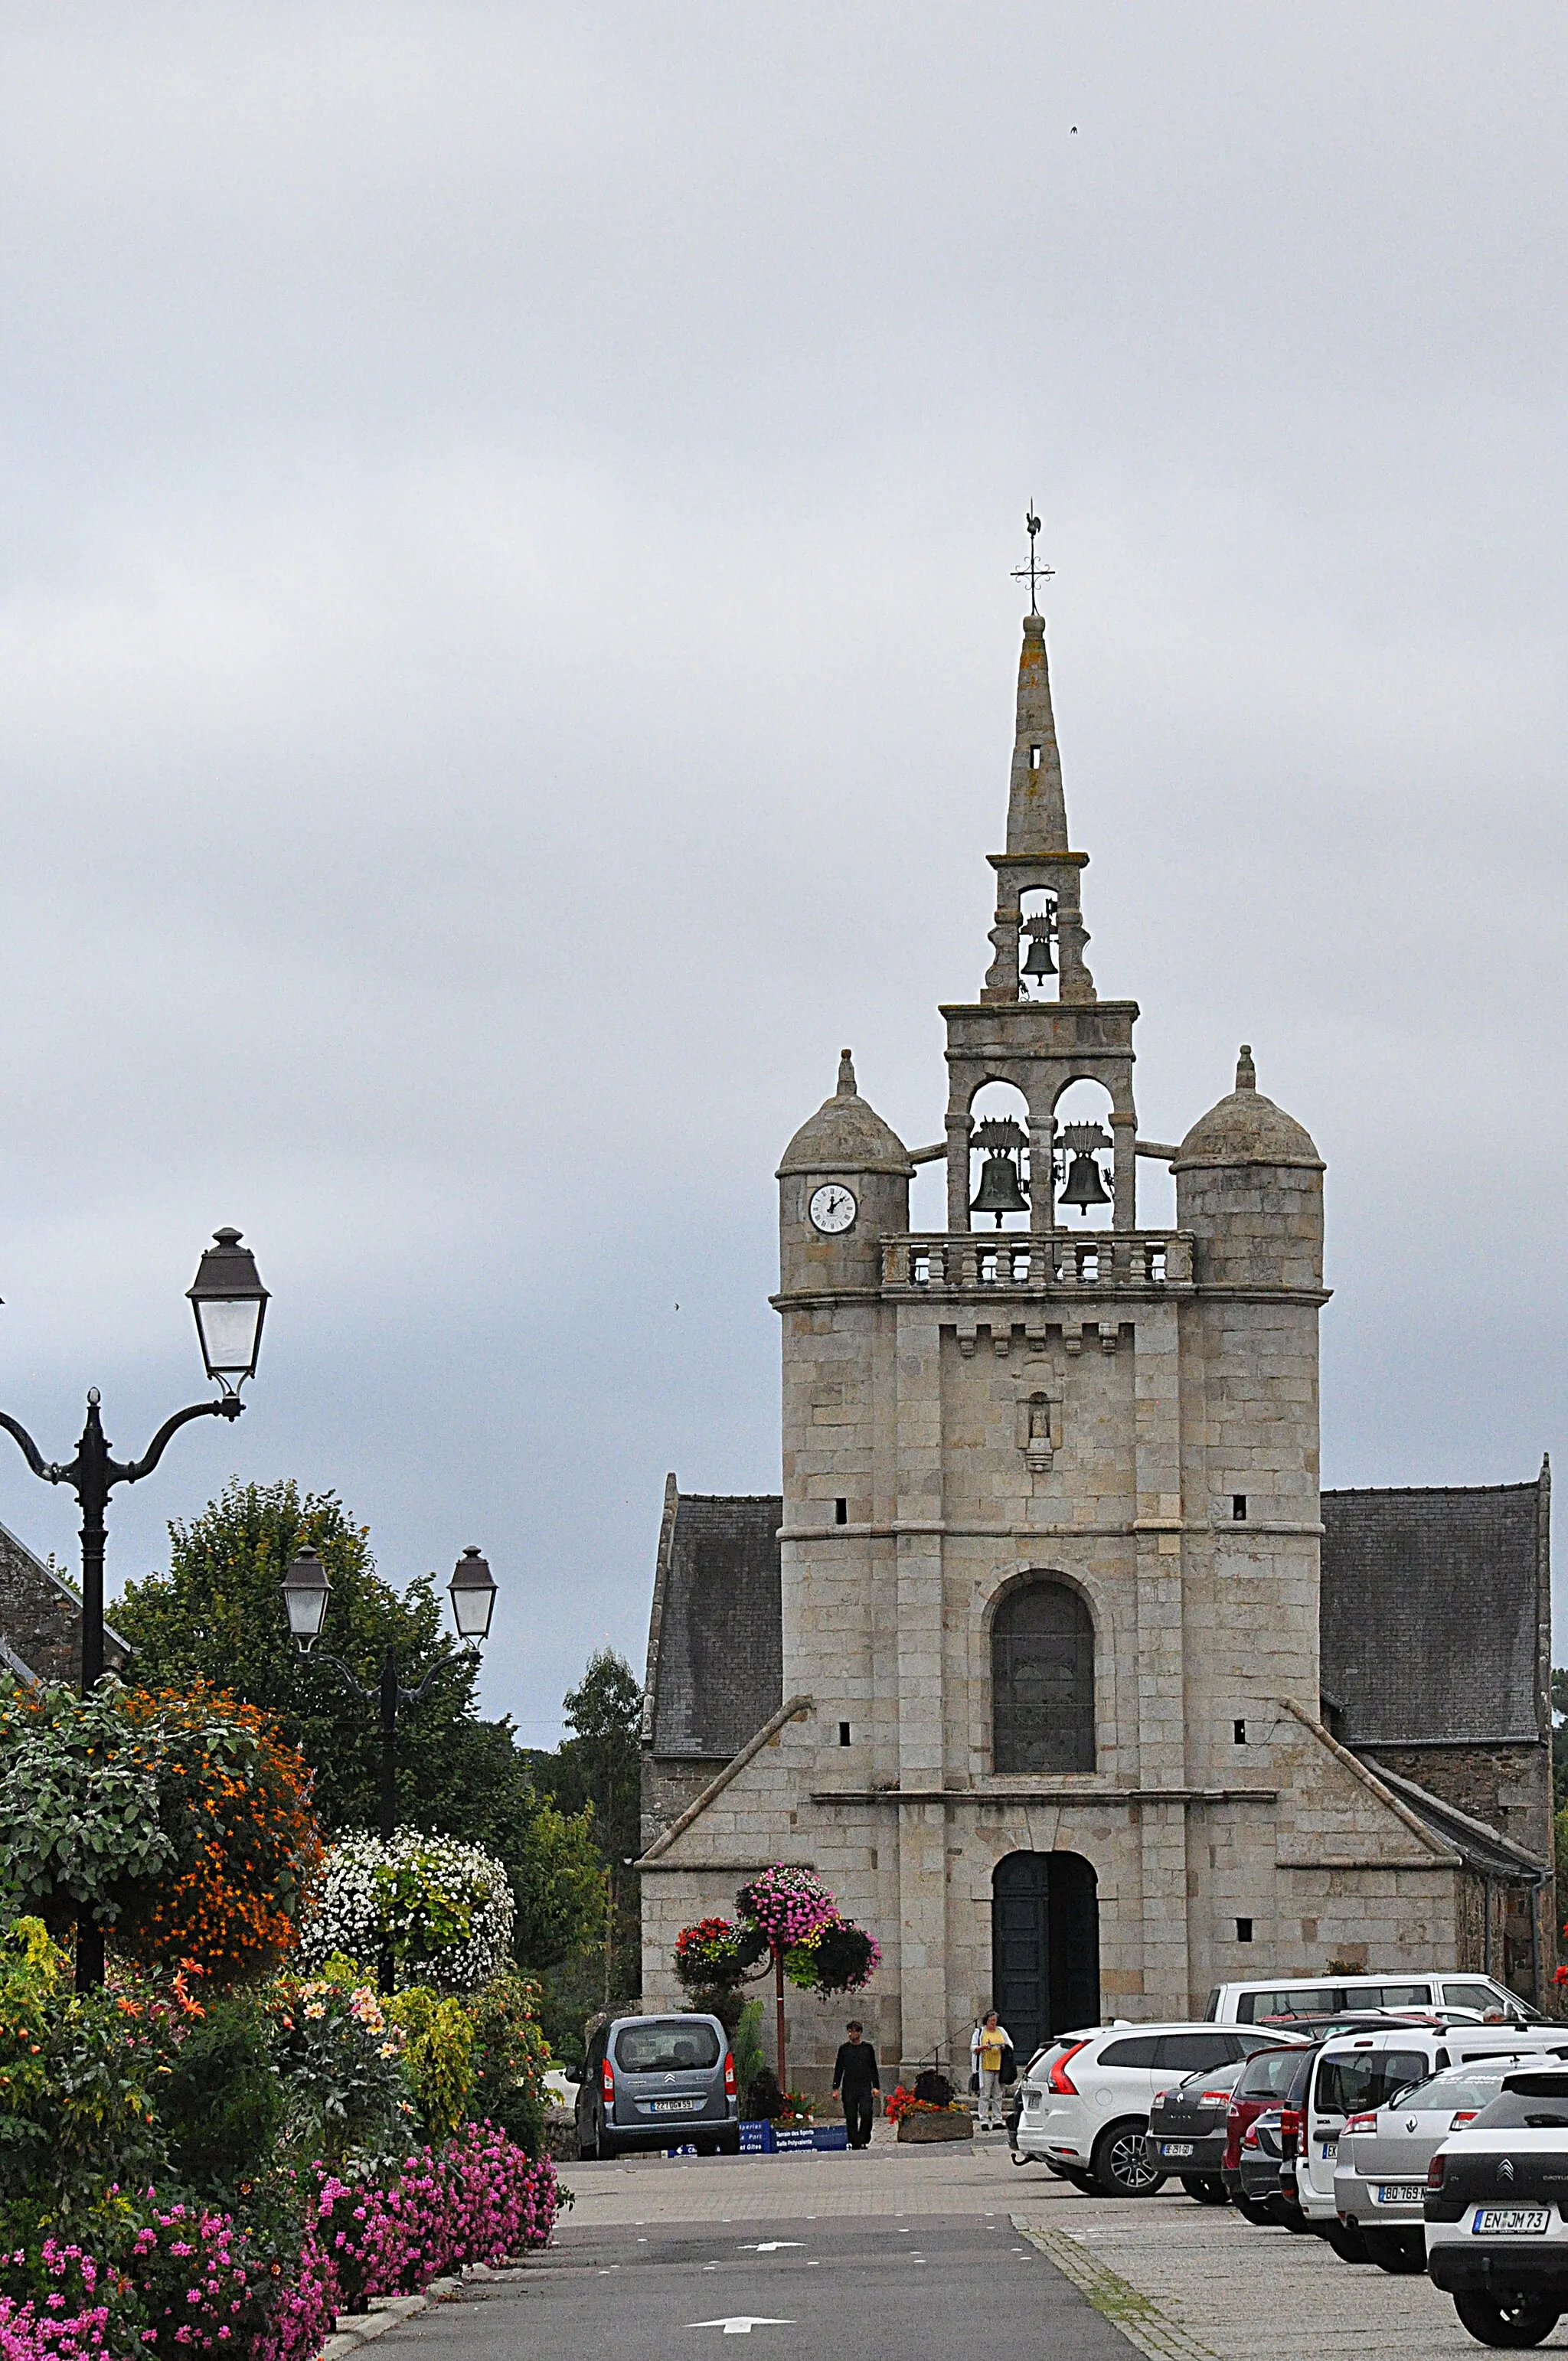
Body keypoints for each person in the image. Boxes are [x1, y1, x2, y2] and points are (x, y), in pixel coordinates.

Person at [831, 2020, 880, 2148]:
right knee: (851, 2116)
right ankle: (855, 2141)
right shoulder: (844, 2049)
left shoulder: (867, 2048)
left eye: (852, 2032)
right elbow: (839, 2068)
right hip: (849, 2087)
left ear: (859, 2033)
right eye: (849, 2032)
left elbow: (873, 2068)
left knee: (866, 2113)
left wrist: (876, 2086)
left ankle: (864, 2138)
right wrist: (836, 2088)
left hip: (864, 2086)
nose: (850, 2034)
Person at [971, 2009, 1012, 2130]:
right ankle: (983, 2119)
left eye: (995, 2021)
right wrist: (983, 2047)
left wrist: (1004, 2047)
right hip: (985, 2067)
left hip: (999, 2067)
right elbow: (973, 2048)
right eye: (991, 2021)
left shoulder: (1001, 2031)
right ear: (986, 2021)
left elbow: (1010, 2044)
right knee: (985, 2094)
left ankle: (997, 2119)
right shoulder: (980, 2032)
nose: (993, 2023)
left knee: (998, 2095)